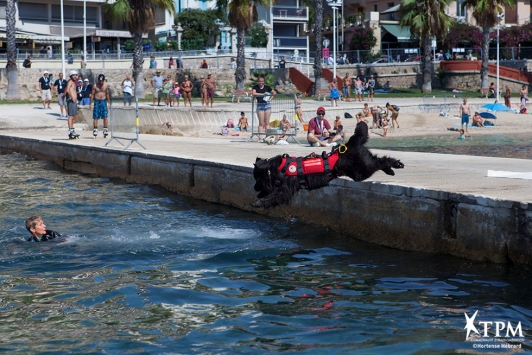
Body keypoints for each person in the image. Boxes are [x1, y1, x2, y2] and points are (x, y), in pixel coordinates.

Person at [252, 74, 276, 143]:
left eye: (262, 81)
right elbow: (253, 93)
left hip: (267, 105)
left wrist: (270, 99)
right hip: (260, 105)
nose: (260, 83)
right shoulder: (255, 87)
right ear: (258, 81)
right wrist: (262, 94)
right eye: (259, 81)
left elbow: (274, 92)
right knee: (261, 122)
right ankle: (260, 137)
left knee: (267, 122)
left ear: (264, 81)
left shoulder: (267, 87)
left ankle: (268, 137)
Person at [89, 74, 111, 139]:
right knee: (95, 117)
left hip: (103, 101)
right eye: (100, 81)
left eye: (102, 81)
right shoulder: (95, 86)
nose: (101, 82)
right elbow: (92, 94)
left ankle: (105, 130)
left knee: (105, 116)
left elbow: (107, 94)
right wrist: (90, 104)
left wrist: (109, 102)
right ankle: (95, 130)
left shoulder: (106, 86)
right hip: (97, 102)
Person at [65, 70, 80, 139]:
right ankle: (70, 130)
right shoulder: (70, 82)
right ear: (71, 76)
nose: (75, 76)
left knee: (73, 116)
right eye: (74, 75)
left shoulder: (74, 83)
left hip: (74, 101)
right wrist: (72, 97)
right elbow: (67, 90)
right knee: (71, 116)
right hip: (71, 101)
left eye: (76, 75)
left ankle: (72, 129)